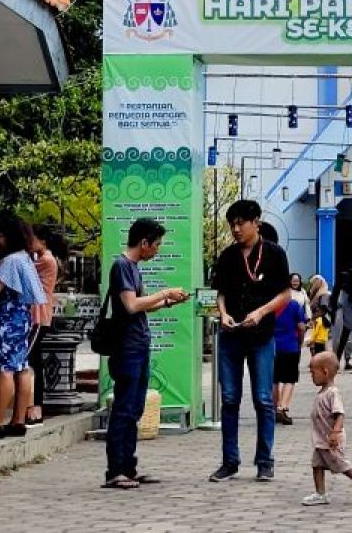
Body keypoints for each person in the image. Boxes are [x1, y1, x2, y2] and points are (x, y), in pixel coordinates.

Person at [103, 218, 189, 489]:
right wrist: (164, 292)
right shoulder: (121, 266)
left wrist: (166, 302)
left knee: (135, 408)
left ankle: (128, 467)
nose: (158, 250)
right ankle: (116, 469)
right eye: (157, 244)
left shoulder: (133, 268)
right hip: (127, 348)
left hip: (138, 345)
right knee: (125, 408)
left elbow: (141, 306)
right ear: (144, 243)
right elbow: (130, 305)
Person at [209, 200, 291, 483]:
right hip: (231, 335)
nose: (236, 229)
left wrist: (260, 312)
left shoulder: (275, 254)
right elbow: (219, 292)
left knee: (264, 399)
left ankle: (265, 461)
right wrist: (223, 313)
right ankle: (230, 461)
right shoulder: (228, 256)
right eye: (232, 224)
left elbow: (285, 295)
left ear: (256, 222)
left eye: (241, 223)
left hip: (261, 335)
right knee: (229, 399)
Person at [0, 218, 47, 438]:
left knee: (5, 369)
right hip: (22, 318)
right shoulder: (25, 259)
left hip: (6, 320)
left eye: (0, 236)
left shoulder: (9, 261)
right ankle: (18, 419)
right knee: (22, 367)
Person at [300, 351, 352, 506]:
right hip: (321, 439)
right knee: (317, 465)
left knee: (341, 465)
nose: (311, 376)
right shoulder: (322, 392)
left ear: (325, 372)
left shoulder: (332, 393)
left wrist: (335, 432)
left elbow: (340, 414)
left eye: (313, 372)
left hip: (331, 439)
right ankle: (320, 493)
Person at [27, 224, 65, 426]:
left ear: (42, 241)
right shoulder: (41, 258)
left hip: (38, 314)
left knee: (33, 362)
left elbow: (23, 271)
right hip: (38, 314)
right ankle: (33, 406)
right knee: (33, 361)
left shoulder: (45, 260)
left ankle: (36, 407)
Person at [273, 278, 308, 426]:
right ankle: (283, 407)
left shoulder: (270, 307)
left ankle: (275, 408)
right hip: (290, 346)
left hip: (273, 347)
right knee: (289, 379)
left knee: (274, 380)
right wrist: (300, 342)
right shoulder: (294, 305)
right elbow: (301, 326)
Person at [306, 275, 332, 355]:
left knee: (319, 343)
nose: (314, 284)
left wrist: (311, 318)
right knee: (312, 342)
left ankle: (319, 361)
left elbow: (323, 309)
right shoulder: (315, 294)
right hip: (314, 321)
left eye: (316, 281)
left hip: (321, 322)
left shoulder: (324, 294)